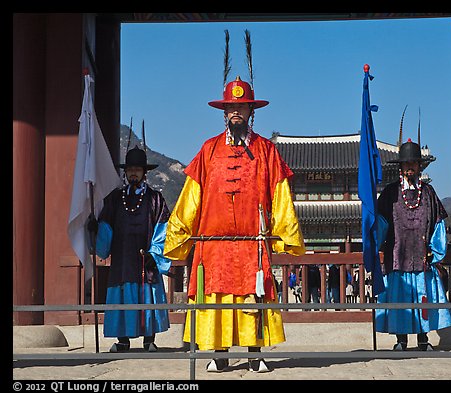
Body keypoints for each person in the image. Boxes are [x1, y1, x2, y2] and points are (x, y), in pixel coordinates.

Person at [163, 75, 305, 373]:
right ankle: (219, 353)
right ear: (224, 112)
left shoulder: (266, 151)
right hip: (212, 246)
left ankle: (255, 353)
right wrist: (179, 233)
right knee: (215, 297)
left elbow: (280, 194)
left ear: (252, 111)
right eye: (230, 106)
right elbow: (192, 195)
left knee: (254, 295)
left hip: (251, 244)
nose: (235, 111)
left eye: (241, 106)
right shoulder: (209, 149)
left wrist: (283, 233)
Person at [374, 117, 451, 351]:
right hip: (397, 257)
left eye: (414, 163)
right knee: (400, 300)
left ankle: (423, 339)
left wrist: (436, 253)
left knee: (422, 299)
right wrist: (375, 244)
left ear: (420, 166)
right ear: (400, 166)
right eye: (406, 163)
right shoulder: (389, 193)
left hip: (421, 257)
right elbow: (381, 224)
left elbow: (438, 224)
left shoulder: (428, 192)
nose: (410, 167)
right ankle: (400, 341)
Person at [89, 144, 172, 353]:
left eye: (137, 169)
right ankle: (123, 341)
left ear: (144, 172)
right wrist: (96, 228)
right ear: (125, 173)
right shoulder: (115, 198)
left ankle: (149, 340)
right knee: (122, 295)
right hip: (122, 258)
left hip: (146, 259)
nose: (133, 172)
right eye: (130, 169)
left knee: (146, 296)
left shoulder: (156, 199)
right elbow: (106, 228)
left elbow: (164, 228)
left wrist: (155, 253)